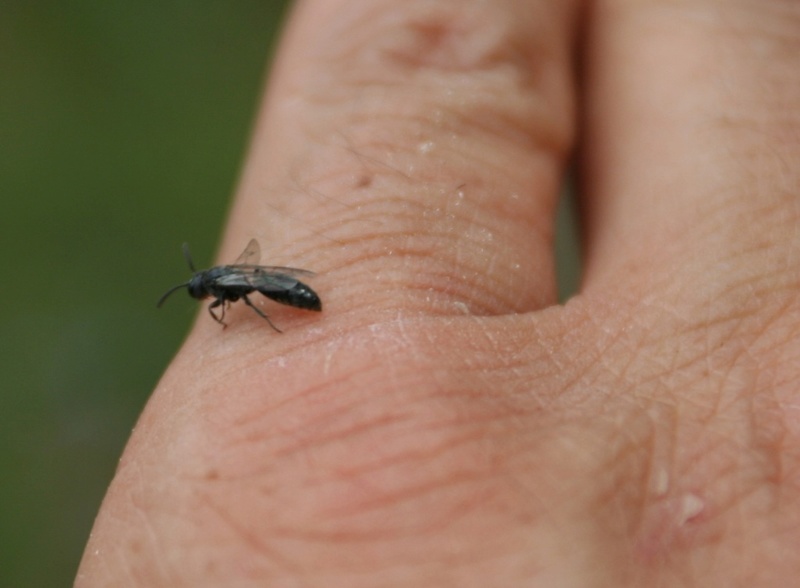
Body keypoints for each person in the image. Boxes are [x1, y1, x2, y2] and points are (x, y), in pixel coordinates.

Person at [76, 0, 800, 585]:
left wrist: (259, 322)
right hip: (293, 289)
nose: (210, 297)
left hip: (293, 294)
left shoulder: (231, 292)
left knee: (279, 299)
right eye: (208, 293)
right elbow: (255, 281)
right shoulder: (230, 285)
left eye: (207, 294)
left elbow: (253, 289)